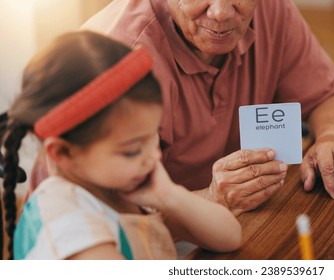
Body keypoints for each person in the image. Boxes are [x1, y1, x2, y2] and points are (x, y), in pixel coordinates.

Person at [38, 0, 334, 216]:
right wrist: (211, 201)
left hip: (221, 218)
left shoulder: (274, 9)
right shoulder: (121, 55)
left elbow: (330, 95)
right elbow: (111, 216)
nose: (221, 12)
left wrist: (333, 135)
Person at [0, 31, 241, 260]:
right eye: (132, 150)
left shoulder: (123, 187)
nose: (152, 156)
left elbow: (230, 237)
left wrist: (170, 194)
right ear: (64, 152)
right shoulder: (65, 221)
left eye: (153, 137)